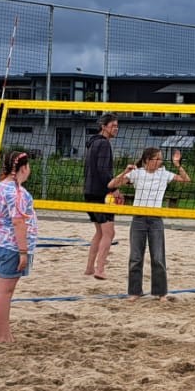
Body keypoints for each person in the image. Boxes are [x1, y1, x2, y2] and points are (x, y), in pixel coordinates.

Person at [109, 146, 188, 300]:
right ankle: (134, 292)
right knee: (136, 257)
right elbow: (112, 185)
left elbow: (186, 180)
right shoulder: (137, 174)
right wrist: (125, 171)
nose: (159, 161)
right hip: (138, 218)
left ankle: (160, 293)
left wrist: (177, 164)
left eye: (160, 159)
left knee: (158, 258)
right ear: (147, 160)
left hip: (156, 219)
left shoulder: (163, 174)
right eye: (156, 159)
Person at [0, 150, 38, 344]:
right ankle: (3, 336)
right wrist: (23, 252)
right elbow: (18, 223)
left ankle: (5, 334)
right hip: (12, 248)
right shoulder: (18, 193)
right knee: (4, 293)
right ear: (23, 168)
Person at [83, 113, 120, 280]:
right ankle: (99, 269)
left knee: (100, 232)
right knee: (109, 233)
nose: (116, 129)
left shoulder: (92, 143)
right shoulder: (104, 144)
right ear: (103, 126)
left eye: (117, 126)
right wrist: (114, 188)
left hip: (89, 191)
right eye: (113, 126)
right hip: (100, 193)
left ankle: (90, 268)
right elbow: (103, 170)